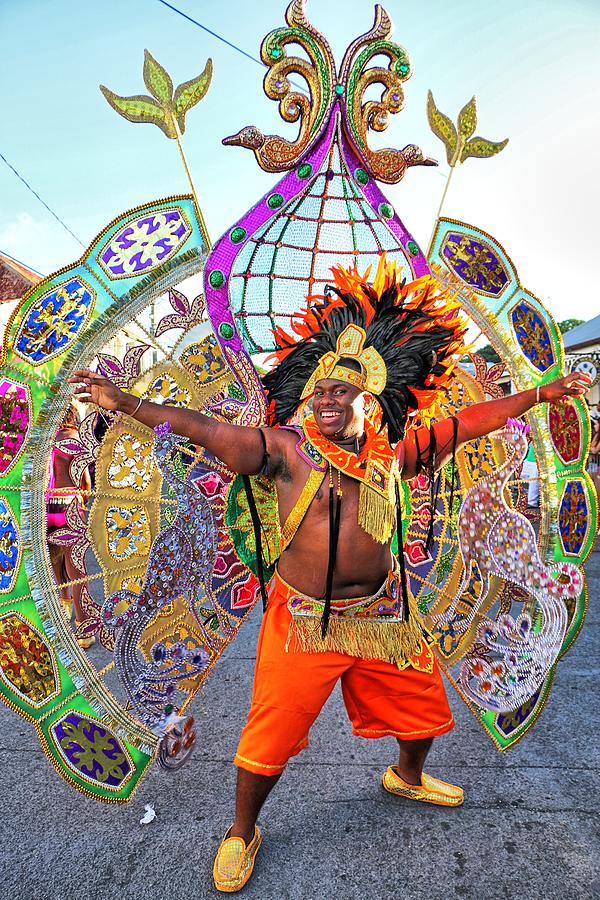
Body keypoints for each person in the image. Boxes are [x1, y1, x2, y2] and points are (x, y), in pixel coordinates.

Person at [70, 262, 591, 892]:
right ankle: (241, 830)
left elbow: (467, 425)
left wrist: (540, 394)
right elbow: (207, 431)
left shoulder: (396, 454)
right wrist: (125, 402)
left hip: (383, 619)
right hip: (306, 625)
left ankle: (407, 774)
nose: (323, 400)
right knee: (270, 736)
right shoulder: (286, 452)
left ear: (368, 399)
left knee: (424, 714)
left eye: (337, 393)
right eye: (317, 392)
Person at [47, 404, 94, 649]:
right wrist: (83, 499)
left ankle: (64, 612)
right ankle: (84, 629)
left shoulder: (48, 442)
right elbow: (85, 480)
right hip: (69, 507)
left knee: (58, 563)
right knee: (77, 571)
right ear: (73, 415)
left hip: (49, 508)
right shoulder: (76, 438)